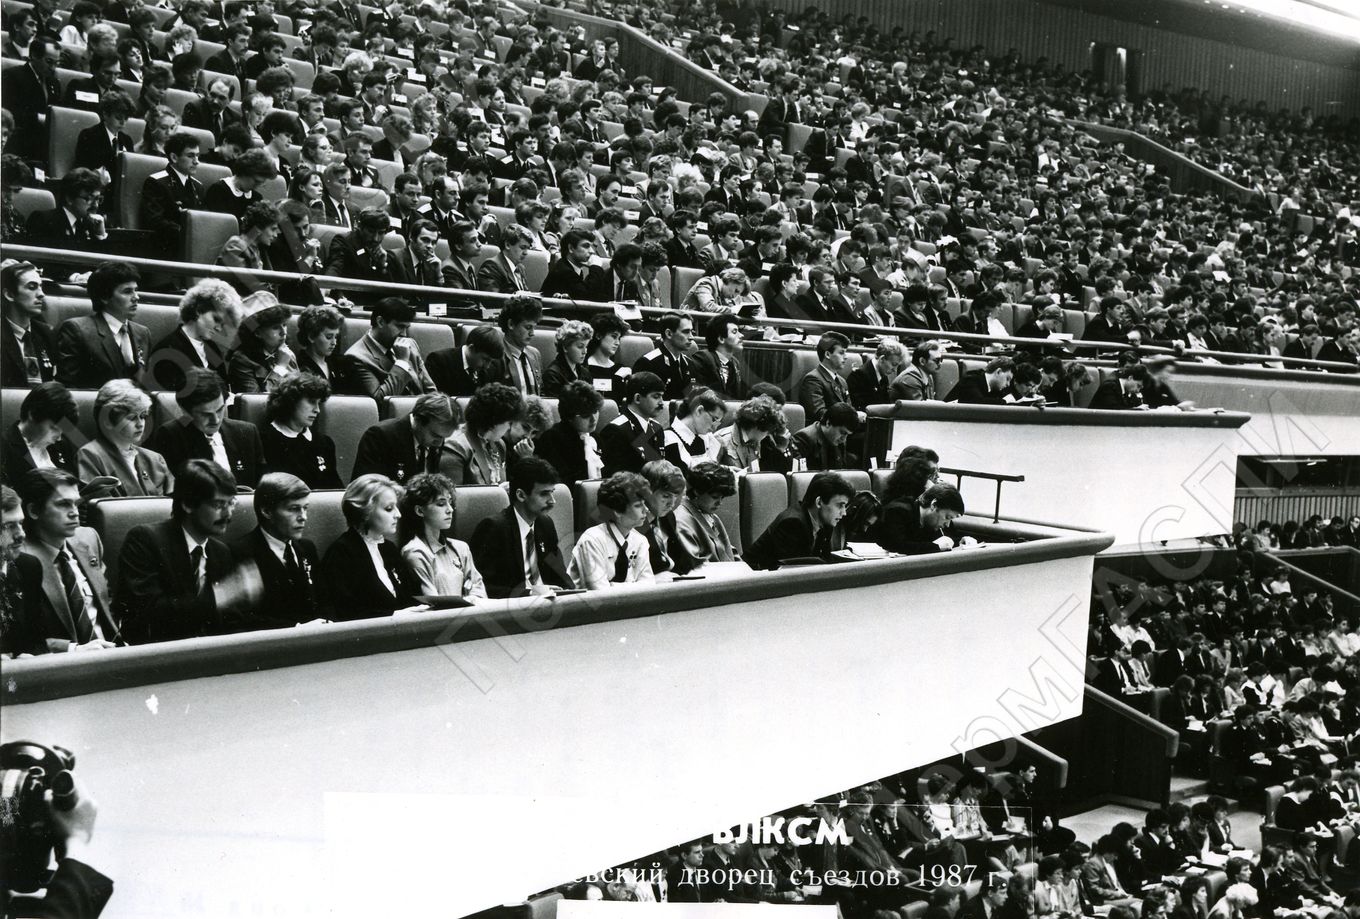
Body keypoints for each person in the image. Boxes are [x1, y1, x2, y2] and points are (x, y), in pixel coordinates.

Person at [114, 459, 261, 643]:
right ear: (188, 504)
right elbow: (149, 613)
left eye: (231, 503)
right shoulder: (145, 539)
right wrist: (220, 596)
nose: (228, 514)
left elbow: (231, 622)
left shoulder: (220, 552)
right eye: (218, 505)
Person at [10, 469, 121, 653]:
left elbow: (108, 603)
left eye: (76, 503)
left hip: (112, 652)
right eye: (63, 504)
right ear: (34, 511)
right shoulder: (18, 560)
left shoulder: (88, 538)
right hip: (63, 663)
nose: (74, 512)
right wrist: (74, 650)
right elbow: (22, 640)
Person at [469, 456, 574, 598]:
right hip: (514, 606)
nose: (552, 501)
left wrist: (570, 593)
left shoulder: (545, 524)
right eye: (544, 494)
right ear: (521, 495)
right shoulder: (493, 528)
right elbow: (484, 587)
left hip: (548, 603)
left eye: (552, 492)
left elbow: (560, 576)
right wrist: (528, 593)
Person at [228, 472, 323, 629]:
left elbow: (326, 601)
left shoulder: (307, 548)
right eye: (294, 509)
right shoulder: (240, 552)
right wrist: (298, 629)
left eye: (305, 508)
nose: (303, 517)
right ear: (267, 512)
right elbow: (244, 618)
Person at [319, 474, 415, 620]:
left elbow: (409, 596)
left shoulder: (389, 548)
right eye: (389, 508)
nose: (398, 514)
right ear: (365, 512)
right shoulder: (341, 553)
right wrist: (396, 615)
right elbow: (346, 612)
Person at [150, 369, 264, 487]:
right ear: (185, 411)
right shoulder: (170, 435)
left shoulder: (247, 432)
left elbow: (261, 486)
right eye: (206, 414)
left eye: (220, 410)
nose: (216, 420)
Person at [53, 262, 151, 389]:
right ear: (105, 297)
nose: (136, 297)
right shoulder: (77, 330)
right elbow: (68, 387)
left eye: (136, 290)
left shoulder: (143, 332)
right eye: (127, 291)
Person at [398, 472, 487, 600]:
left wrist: (471, 598)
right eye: (441, 504)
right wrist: (467, 597)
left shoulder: (461, 548)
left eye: (450, 502)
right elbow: (435, 603)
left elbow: (480, 592)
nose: (450, 509)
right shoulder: (415, 552)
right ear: (420, 511)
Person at [76, 380, 172, 497]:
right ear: (107, 421)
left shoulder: (155, 459)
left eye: (143, 416)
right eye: (132, 418)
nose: (140, 424)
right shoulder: (90, 455)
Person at [744, 471, 854, 571]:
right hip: (754, 578)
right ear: (819, 502)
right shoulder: (792, 523)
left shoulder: (826, 522)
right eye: (840, 505)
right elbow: (794, 573)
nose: (844, 513)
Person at [147, 279, 241, 393]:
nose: (219, 329)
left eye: (222, 324)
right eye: (216, 319)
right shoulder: (167, 349)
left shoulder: (212, 347)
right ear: (198, 311)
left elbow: (224, 388)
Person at [568, 471, 655, 589]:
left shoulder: (640, 541)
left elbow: (649, 586)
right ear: (617, 511)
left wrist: (612, 586)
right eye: (638, 505)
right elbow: (600, 591)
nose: (646, 510)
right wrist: (635, 586)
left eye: (644, 504)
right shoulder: (592, 541)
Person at [354, 394, 458, 489]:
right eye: (435, 435)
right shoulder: (379, 436)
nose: (439, 443)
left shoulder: (434, 437)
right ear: (418, 420)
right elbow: (366, 490)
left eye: (443, 438)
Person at [341, 297, 437, 398]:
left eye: (406, 328)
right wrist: (402, 362)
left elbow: (430, 390)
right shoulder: (356, 358)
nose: (404, 334)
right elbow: (379, 398)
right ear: (380, 322)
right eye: (400, 327)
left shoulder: (410, 344)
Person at [259, 372, 343, 489]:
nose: (317, 410)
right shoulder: (264, 441)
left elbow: (335, 488)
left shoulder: (324, 443)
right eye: (311, 401)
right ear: (291, 401)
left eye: (318, 403)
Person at [445, 383, 522, 485]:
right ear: (495, 420)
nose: (509, 428)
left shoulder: (499, 445)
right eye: (509, 423)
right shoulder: (455, 446)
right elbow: (452, 493)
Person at [534, 380, 605, 486]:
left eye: (595, 411)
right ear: (569, 416)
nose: (593, 419)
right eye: (585, 415)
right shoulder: (552, 438)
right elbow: (560, 481)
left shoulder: (596, 437)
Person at [1, 260, 57, 388]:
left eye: (41, 286)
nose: (41, 294)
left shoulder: (47, 334)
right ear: (9, 294)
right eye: (32, 287)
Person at [599, 371, 666, 475]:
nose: (662, 403)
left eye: (662, 396)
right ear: (637, 398)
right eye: (656, 397)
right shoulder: (616, 430)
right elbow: (616, 477)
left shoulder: (657, 428)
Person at [878, 483, 972, 555]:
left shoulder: (939, 519)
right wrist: (935, 546)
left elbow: (949, 539)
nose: (947, 524)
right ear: (934, 505)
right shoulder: (897, 512)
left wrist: (961, 541)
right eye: (947, 517)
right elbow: (897, 545)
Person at [673, 461, 738, 566]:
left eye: (722, 498)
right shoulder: (681, 520)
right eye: (715, 497)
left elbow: (729, 552)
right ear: (697, 491)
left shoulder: (711, 516)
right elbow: (696, 565)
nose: (719, 503)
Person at [224, 303, 297, 394]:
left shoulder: (286, 353)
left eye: (284, 325)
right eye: (275, 327)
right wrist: (280, 367)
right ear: (258, 333)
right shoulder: (241, 360)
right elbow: (256, 400)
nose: (284, 332)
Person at [636, 460, 690, 576]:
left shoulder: (668, 516)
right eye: (666, 496)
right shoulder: (631, 522)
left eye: (675, 496)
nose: (672, 503)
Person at [631, 312, 695, 400]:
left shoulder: (690, 364)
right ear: (669, 334)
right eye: (686, 332)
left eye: (692, 331)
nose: (691, 337)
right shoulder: (648, 363)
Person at [427, 325, 505, 397]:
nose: (487, 366)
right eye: (485, 359)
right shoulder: (439, 362)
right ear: (471, 348)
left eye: (491, 361)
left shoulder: (496, 366)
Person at [664, 388, 726, 469]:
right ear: (699, 410)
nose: (715, 427)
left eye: (718, 422)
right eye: (714, 419)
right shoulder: (669, 439)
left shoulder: (706, 437)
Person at [690, 313, 747, 400]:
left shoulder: (735, 363)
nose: (741, 335)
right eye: (734, 332)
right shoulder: (702, 359)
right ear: (721, 339)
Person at [800, 331, 854, 422]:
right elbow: (819, 413)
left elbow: (849, 409)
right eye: (841, 353)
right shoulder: (813, 379)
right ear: (828, 354)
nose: (846, 357)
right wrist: (851, 417)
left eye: (845, 352)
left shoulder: (842, 381)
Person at [498, 294, 544, 396]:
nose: (532, 333)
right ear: (511, 324)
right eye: (528, 327)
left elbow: (541, 393)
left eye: (534, 328)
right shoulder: (497, 356)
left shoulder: (535, 354)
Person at [792, 402, 858, 471]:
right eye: (842, 432)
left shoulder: (839, 441)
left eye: (847, 435)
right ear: (828, 423)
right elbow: (799, 474)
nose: (844, 439)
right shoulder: (804, 438)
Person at [584, 312, 632, 403]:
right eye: (614, 336)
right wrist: (617, 379)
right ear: (598, 336)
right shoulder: (584, 368)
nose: (617, 343)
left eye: (619, 338)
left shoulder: (620, 369)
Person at [294, 304, 346, 387]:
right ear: (311, 337)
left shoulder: (339, 363)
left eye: (336, 337)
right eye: (329, 337)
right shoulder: (299, 366)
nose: (334, 342)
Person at [849, 339, 906, 410]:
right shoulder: (858, 376)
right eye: (894, 364)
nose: (895, 370)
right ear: (882, 359)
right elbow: (861, 407)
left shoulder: (883, 375)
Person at [542, 320, 594, 396]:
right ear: (565, 347)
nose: (585, 352)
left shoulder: (585, 373)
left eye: (586, 346)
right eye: (580, 346)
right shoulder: (552, 375)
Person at [946, 357, 1015, 405]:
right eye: (1007, 379)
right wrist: (1005, 401)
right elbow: (978, 402)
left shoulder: (994, 388)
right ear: (998, 372)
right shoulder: (971, 379)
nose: (1008, 384)